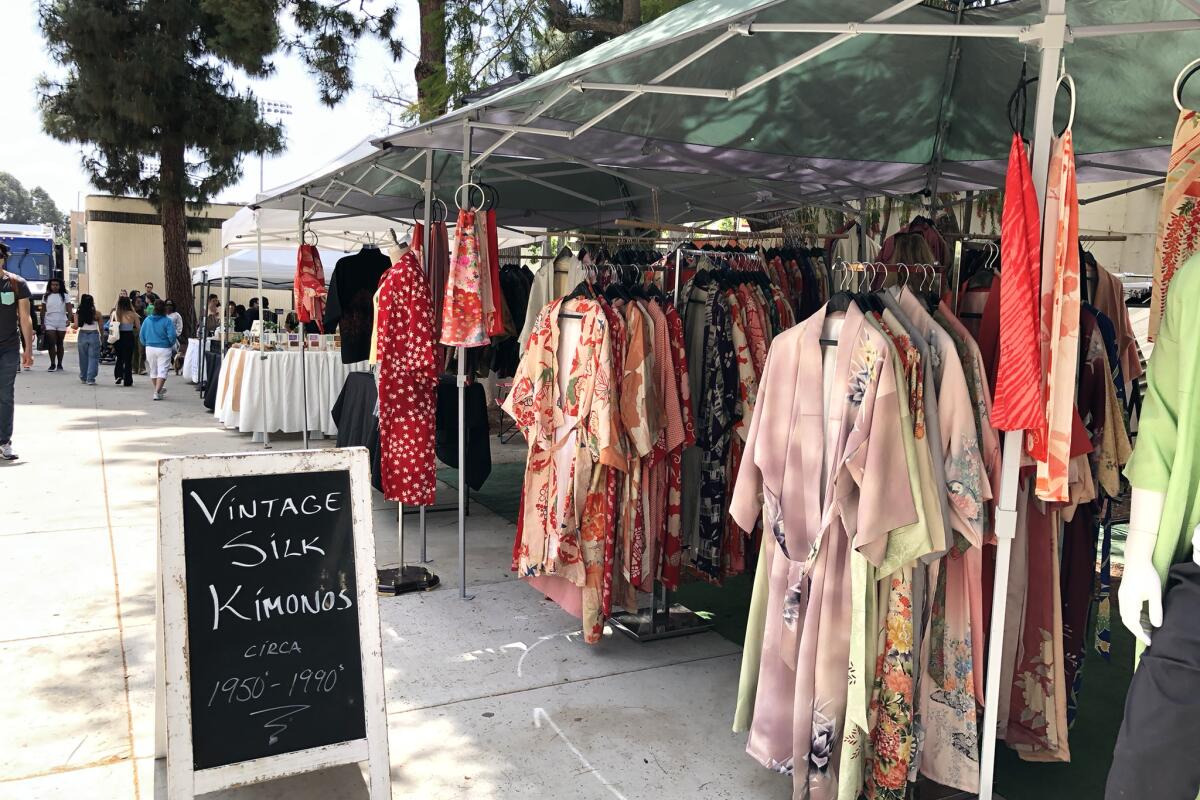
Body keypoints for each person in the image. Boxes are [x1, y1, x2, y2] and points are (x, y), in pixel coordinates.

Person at [0, 243, 34, 460]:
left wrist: (28, 348)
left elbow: (25, 317)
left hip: (8, 347)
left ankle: (4, 442)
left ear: (3, 258)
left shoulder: (16, 283)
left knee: (5, 395)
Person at [140, 302, 177, 400]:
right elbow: (172, 336)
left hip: (150, 347)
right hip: (164, 348)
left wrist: (145, 343)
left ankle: (158, 389)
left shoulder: (147, 320)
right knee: (163, 370)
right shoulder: (167, 321)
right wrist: (170, 343)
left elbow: (142, 334)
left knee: (153, 370)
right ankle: (157, 392)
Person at [40, 277, 72, 372]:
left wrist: (69, 320)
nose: (54, 286)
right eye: (53, 285)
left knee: (59, 343)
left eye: (57, 285)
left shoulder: (65, 296)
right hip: (49, 321)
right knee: (51, 343)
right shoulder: (45, 296)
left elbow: (69, 309)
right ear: (50, 285)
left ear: (60, 286)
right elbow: (42, 310)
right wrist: (42, 323)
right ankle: (52, 364)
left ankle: (60, 364)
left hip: (61, 320)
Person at [73, 294, 101, 385]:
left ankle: (84, 377)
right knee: (93, 358)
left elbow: (76, 326)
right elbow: (101, 327)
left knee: (83, 357)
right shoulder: (97, 313)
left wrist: (71, 326)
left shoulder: (78, 313)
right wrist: (102, 336)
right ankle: (91, 378)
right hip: (93, 334)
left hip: (82, 335)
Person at [112, 296, 140, 387]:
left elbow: (111, 325)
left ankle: (118, 375)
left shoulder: (115, 313)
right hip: (128, 336)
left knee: (119, 357)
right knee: (128, 359)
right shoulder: (133, 314)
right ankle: (128, 380)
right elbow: (138, 327)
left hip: (118, 336)